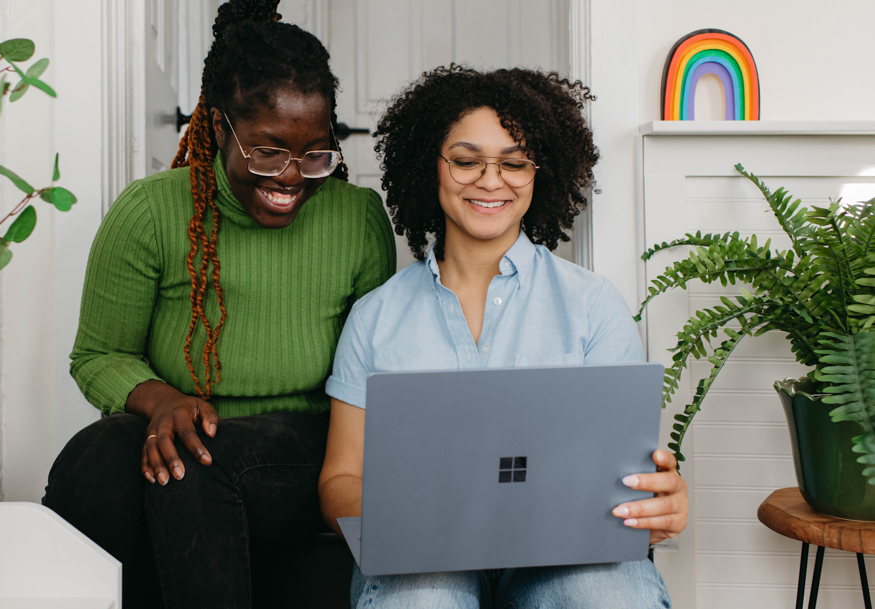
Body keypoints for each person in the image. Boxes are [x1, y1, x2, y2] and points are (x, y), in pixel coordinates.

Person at [40, 1, 396, 607]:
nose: (292, 178)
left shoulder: (357, 218)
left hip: (305, 439)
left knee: (198, 459)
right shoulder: (151, 210)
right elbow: (100, 355)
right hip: (175, 419)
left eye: (315, 153)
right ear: (217, 128)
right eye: (267, 151)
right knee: (94, 459)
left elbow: (373, 372)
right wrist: (164, 402)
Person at [318, 65, 688, 609]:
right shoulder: (375, 317)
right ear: (432, 166)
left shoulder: (592, 305)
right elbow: (341, 477)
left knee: (608, 595)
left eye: (514, 162)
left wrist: (660, 502)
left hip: (565, 556)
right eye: (467, 161)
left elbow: (628, 471)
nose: (491, 181)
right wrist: (397, 522)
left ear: (540, 174)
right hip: (422, 557)